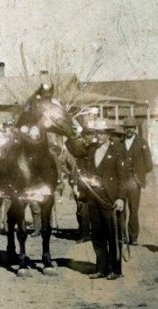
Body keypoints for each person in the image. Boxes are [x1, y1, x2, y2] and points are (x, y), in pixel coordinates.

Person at [66, 118, 129, 280]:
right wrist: (70, 133)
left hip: (111, 200)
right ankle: (101, 268)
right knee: (98, 235)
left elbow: (124, 178)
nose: (99, 136)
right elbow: (74, 149)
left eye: (102, 133)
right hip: (93, 198)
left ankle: (115, 269)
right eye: (97, 132)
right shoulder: (91, 149)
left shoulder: (118, 150)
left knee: (113, 235)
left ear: (108, 134)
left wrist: (121, 198)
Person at [119, 118, 153, 245]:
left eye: (132, 127)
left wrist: (139, 174)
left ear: (135, 129)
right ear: (123, 129)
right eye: (127, 127)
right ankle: (121, 235)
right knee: (120, 208)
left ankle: (133, 237)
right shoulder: (119, 142)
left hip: (134, 180)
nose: (129, 130)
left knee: (133, 209)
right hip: (121, 180)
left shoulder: (141, 142)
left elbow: (148, 164)